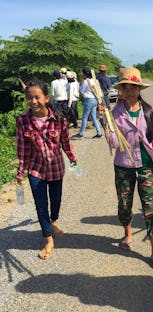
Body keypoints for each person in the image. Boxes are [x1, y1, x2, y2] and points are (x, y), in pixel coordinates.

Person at [107, 67, 153, 272]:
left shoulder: (149, 111)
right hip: (123, 166)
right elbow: (114, 143)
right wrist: (106, 124)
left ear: (140, 89)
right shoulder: (115, 113)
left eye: (135, 87)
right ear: (121, 90)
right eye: (127, 88)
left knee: (150, 208)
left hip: (146, 166)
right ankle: (128, 234)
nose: (131, 92)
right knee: (124, 204)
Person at [15, 78, 78, 260]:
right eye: (29, 98)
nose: (33, 101)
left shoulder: (58, 119)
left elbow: (66, 141)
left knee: (55, 200)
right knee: (41, 205)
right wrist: (21, 171)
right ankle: (48, 239)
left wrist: (73, 158)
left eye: (37, 97)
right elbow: (23, 149)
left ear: (47, 98)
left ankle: (54, 220)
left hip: (56, 168)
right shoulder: (22, 121)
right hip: (36, 170)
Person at [72, 67, 103, 139]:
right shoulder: (95, 81)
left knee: (85, 117)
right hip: (95, 99)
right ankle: (99, 132)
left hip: (88, 100)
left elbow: (82, 91)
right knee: (94, 117)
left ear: (84, 74)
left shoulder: (86, 82)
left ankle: (81, 133)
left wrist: (80, 85)